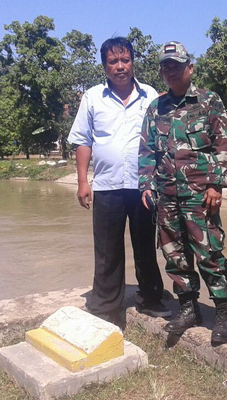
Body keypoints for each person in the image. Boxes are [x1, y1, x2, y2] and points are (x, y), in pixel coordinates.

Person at [68, 37, 171, 330]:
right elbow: (83, 141)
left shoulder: (149, 95)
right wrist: (82, 182)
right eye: (113, 61)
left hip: (142, 186)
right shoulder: (92, 97)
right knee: (107, 250)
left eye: (125, 60)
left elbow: (158, 139)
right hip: (106, 185)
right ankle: (105, 307)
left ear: (133, 62)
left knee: (145, 246)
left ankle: (150, 298)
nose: (120, 66)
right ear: (105, 66)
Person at [138, 41, 227, 345]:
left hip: (199, 194)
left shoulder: (208, 101)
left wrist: (215, 184)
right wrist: (145, 184)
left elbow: (223, 144)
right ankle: (188, 307)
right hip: (166, 195)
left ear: (189, 68)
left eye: (176, 66)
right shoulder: (157, 107)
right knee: (174, 255)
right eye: (165, 66)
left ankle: (223, 313)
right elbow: (146, 149)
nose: (170, 71)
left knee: (209, 252)